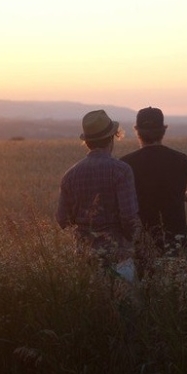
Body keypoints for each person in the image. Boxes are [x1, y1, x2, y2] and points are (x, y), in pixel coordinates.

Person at [56, 109, 142, 281]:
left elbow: (62, 219)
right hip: (119, 257)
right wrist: (133, 244)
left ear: (87, 142)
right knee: (124, 305)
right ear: (112, 138)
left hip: (85, 259)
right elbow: (129, 217)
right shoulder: (121, 170)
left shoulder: (70, 175)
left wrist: (84, 231)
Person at [121, 107, 187, 258]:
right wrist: (178, 196)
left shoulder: (124, 164)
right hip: (176, 244)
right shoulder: (181, 160)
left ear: (137, 130)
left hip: (140, 245)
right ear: (164, 130)